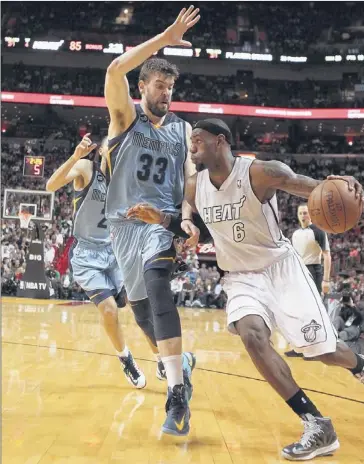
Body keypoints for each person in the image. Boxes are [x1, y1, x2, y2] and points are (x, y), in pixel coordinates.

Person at [127, 118, 364, 461]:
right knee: (252, 337)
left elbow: (312, 189)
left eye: (198, 138)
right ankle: (316, 423)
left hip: (280, 270)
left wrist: (343, 185)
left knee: (323, 352)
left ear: (220, 141)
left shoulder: (260, 172)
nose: (191, 144)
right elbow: (196, 226)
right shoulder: (194, 186)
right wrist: (171, 221)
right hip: (240, 276)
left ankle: (361, 367)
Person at [104, 6, 200, 435]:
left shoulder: (183, 130)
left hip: (159, 225)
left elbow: (190, 177)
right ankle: (180, 361)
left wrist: (186, 217)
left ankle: (177, 396)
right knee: (141, 314)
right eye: (159, 84)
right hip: (123, 228)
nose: (166, 92)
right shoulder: (125, 119)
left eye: (171, 86)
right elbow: (113, 68)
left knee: (159, 286)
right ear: (142, 87)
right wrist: (165, 36)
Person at [46, 134, 146, 388]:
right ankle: (125, 358)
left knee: (132, 303)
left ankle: (163, 357)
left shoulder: (127, 186)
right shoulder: (86, 169)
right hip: (86, 255)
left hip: (114, 253)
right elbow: (50, 186)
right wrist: (75, 156)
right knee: (110, 309)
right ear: (101, 151)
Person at [285, 203, 332, 357]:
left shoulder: (318, 231)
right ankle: (300, 347)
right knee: (298, 310)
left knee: (313, 311)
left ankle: (317, 349)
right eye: (301, 213)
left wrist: (326, 280)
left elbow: (327, 255)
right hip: (299, 272)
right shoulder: (296, 233)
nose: (303, 216)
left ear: (310, 214)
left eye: (305, 213)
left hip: (313, 270)